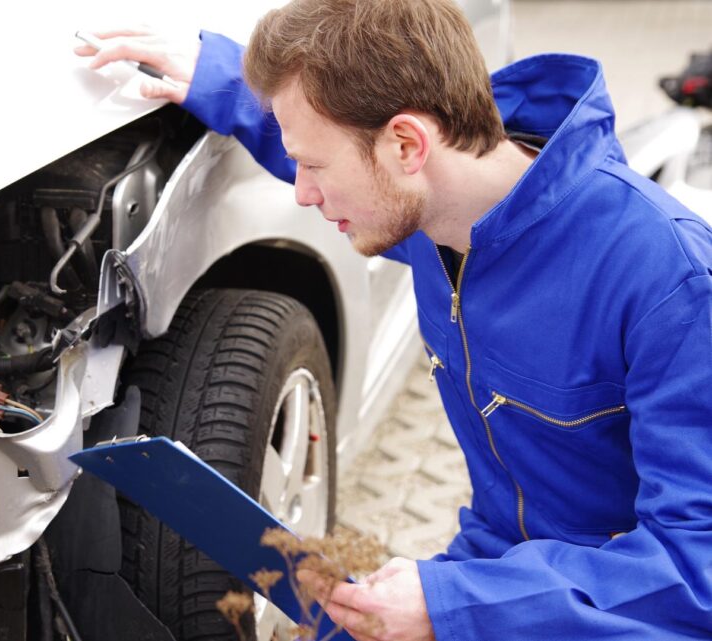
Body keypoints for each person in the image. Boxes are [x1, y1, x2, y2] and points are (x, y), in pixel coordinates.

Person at [75, 1, 712, 640]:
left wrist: (451, 605)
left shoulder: (669, 282)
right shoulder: (441, 210)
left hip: (617, 612)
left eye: (316, 168)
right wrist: (213, 76)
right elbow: (329, 140)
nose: (301, 192)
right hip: (507, 573)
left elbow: (696, 571)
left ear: (408, 143)